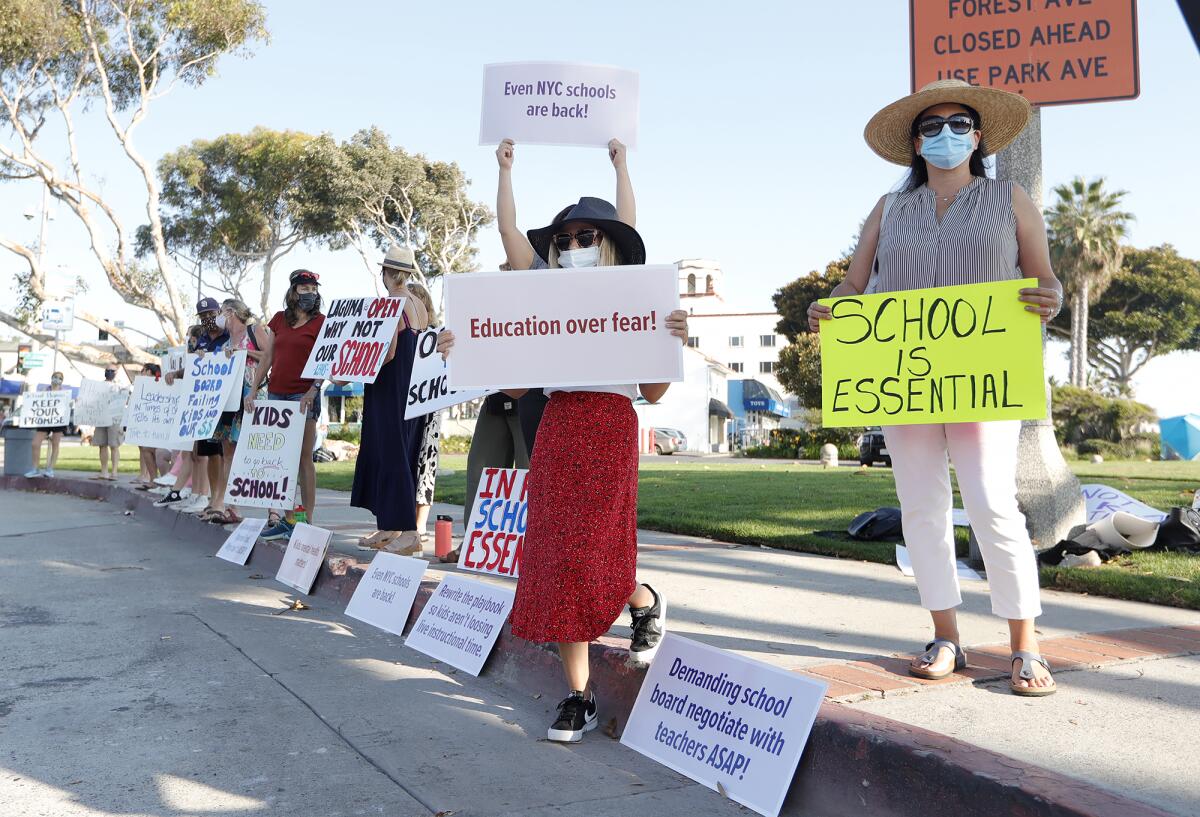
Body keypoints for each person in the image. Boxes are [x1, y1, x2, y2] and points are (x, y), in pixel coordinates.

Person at [808, 79, 1064, 697]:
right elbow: (854, 284)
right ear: (914, 144)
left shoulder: (1011, 198)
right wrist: (833, 310)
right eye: (931, 126)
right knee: (921, 508)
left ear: (977, 137)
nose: (944, 135)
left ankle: (1024, 644)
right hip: (903, 380)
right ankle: (945, 634)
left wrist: (1048, 299)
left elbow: (1045, 280)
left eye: (958, 124)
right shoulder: (889, 209)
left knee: (991, 503)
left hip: (987, 379)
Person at [438, 143, 689, 742]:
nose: (574, 247)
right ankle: (578, 695)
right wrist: (466, 349)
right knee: (556, 557)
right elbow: (508, 240)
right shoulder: (543, 297)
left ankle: (641, 596)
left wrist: (671, 337)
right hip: (557, 427)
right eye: (566, 239)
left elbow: (652, 390)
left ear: (606, 245)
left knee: (596, 547)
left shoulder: (634, 293)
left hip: (611, 427)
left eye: (586, 237)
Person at [350, 246, 428, 553]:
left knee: (391, 453)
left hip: (390, 385)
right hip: (412, 384)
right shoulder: (418, 303)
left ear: (386, 273)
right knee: (400, 453)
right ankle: (389, 526)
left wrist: (357, 366)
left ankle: (409, 533)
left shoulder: (392, 302)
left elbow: (389, 351)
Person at [247, 270, 326, 538]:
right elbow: (267, 356)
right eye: (304, 288)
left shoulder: (321, 323)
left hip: (303, 397)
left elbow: (325, 361)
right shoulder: (279, 320)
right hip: (276, 396)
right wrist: (253, 390)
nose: (310, 293)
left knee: (304, 459)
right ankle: (288, 520)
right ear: (293, 292)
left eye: (313, 289)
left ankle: (306, 520)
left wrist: (313, 391)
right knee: (281, 461)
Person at [157, 301, 229, 513]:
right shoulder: (204, 340)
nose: (207, 318)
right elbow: (193, 368)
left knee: (218, 454)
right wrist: (177, 373)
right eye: (203, 315)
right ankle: (207, 497)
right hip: (203, 404)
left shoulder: (229, 336)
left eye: (211, 313)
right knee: (203, 451)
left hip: (222, 403)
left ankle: (214, 497)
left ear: (219, 313)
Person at [204, 298, 269, 525]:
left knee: (259, 452)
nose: (219, 317)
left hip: (253, 396)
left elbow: (271, 355)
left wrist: (244, 354)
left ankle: (273, 510)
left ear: (231, 312)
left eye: (222, 312)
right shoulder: (225, 341)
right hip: (231, 401)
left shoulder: (253, 330)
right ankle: (231, 506)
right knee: (227, 451)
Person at [407, 282, 441, 542]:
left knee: (426, 463)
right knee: (406, 462)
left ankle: (420, 525)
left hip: (430, 408)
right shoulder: (403, 335)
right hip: (406, 407)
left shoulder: (434, 336)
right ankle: (403, 524)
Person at [23, 372, 67, 478]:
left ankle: (50, 469)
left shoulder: (64, 393)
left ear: (62, 381)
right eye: (55, 377)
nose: (57, 379)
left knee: (55, 444)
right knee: (35, 443)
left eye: (60, 378)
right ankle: (35, 468)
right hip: (44, 419)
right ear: (51, 378)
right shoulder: (44, 390)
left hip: (58, 420)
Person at [134, 363, 167, 489]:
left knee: (155, 450)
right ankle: (153, 479)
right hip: (150, 426)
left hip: (160, 429)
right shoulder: (142, 387)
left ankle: (162, 481)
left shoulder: (160, 385)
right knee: (146, 448)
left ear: (148, 372)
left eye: (142, 371)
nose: (141, 373)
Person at [91, 367, 123, 481]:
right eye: (107, 370)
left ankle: (114, 472)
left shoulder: (120, 386)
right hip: (101, 417)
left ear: (116, 372)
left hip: (114, 418)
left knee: (114, 445)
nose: (109, 372)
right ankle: (104, 471)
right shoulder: (98, 386)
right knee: (102, 444)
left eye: (112, 370)